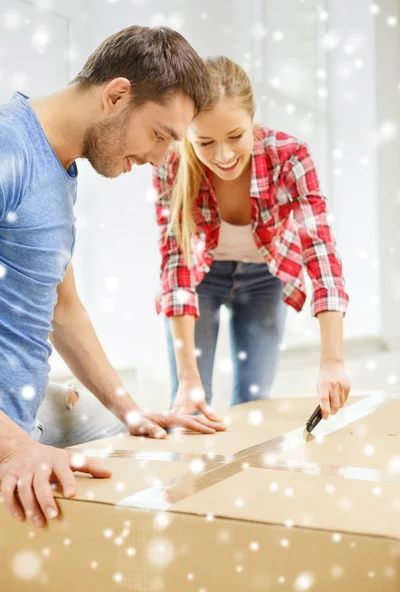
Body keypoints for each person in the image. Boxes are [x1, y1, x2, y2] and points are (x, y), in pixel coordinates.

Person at [0, 26, 225, 528]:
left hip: (20, 422)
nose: (158, 159)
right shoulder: (8, 148)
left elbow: (63, 307)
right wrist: (13, 450)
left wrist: (130, 410)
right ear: (116, 95)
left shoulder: (57, 171)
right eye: (161, 135)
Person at [153, 56, 351, 421]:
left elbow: (320, 252)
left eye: (235, 136)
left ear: (252, 120)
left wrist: (332, 360)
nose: (224, 155)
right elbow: (175, 264)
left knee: (253, 401)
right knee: (191, 405)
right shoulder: (172, 163)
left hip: (265, 280)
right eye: (206, 142)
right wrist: (187, 378)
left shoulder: (290, 156)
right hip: (202, 279)